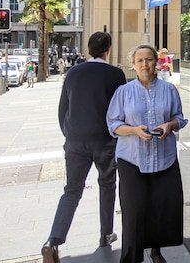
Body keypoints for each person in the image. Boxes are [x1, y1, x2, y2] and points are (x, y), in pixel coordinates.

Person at [42, 32, 127, 263]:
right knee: (107, 185)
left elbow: (63, 110)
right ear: (108, 49)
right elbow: (122, 110)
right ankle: (105, 234)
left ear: (89, 49)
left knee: (71, 191)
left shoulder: (73, 73)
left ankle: (53, 241)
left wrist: (69, 135)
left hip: (75, 141)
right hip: (104, 140)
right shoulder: (115, 74)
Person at [106, 45, 188, 263]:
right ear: (133, 64)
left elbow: (180, 118)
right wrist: (133, 130)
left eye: (149, 59)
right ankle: (132, 257)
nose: (145, 64)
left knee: (160, 208)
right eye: (140, 60)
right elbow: (113, 124)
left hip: (164, 159)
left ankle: (156, 250)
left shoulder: (169, 90)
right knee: (133, 211)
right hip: (132, 160)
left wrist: (170, 126)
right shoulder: (123, 92)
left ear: (156, 63)